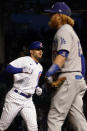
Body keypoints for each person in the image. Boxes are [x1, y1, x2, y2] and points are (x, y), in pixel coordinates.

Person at [44, 2, 87, 131]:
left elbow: (63, 54)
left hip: (68, 77)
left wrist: (50, 73)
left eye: (52, 14)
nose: (50, 17)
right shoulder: (72, 32)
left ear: (59, 16)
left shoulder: (63, 30)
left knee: (54, 117)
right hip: (77, 78)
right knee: (78, 120)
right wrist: (80, 79)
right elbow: (83, 61)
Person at [0, 41, 43, 131]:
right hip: (15, 97)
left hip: (28, 100)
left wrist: (37, 87)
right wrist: (21, 69)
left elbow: (33, 81)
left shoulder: (40, 67)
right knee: (2, 126)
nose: (40, 51)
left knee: (33, 128)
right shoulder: (25, 59)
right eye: (38, 49)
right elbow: (8, 68)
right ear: (31, 51)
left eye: (41, 50)